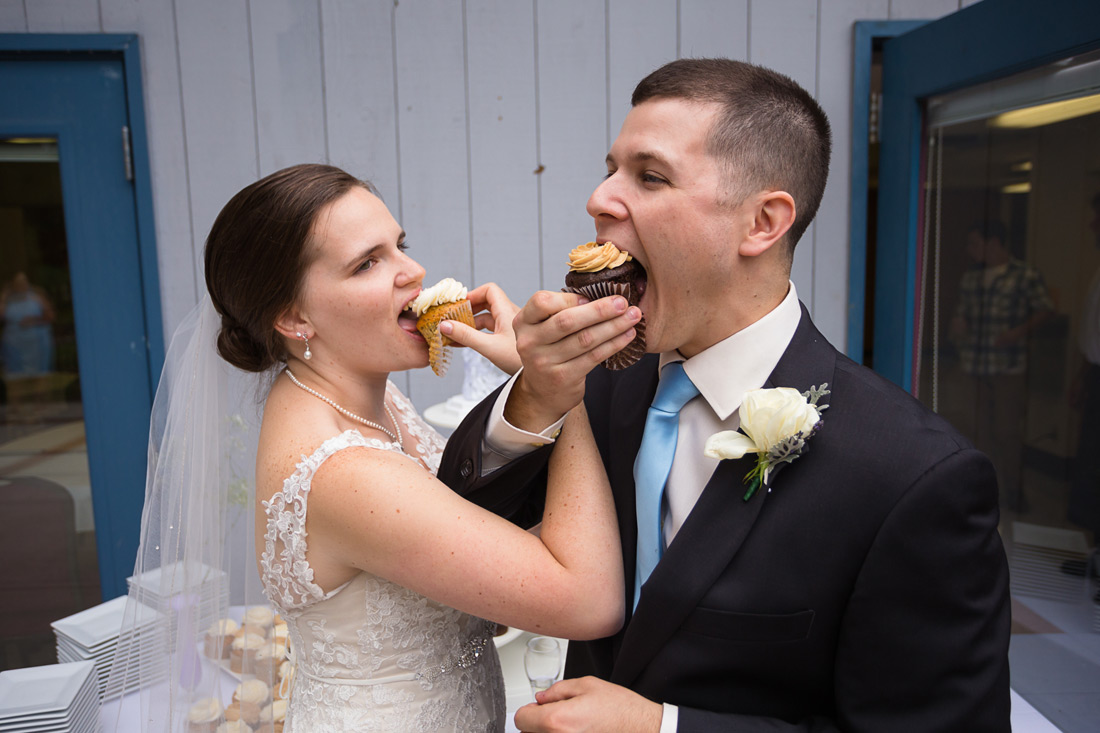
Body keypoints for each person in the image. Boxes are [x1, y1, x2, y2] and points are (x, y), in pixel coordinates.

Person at [439, 59, 1011, 732]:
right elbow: (462, 538)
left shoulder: (913, 478)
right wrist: (536, 397)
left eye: (650, 176)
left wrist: (665, 729)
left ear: (762, 222)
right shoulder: (596, 384)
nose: (598, 198)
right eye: (610, 168)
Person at [108, 164, 623, 732]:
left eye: (400, 246)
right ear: (293, 316)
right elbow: (589, 603)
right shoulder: (344, 471)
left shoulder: (365, 397)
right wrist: (556, 388)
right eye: (367, 263)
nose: (414, 271)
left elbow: (449, 537)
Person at [949, 219, 1054, 512]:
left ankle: (1014, 490)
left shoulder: (1024, 274)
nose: (970, 251)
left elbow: (1046, 309)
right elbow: (962, 313)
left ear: (993, 242)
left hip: (1008, 367)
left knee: (1007, 431)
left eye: (974, 243)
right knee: (977, 429)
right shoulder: (972, 277)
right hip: (974, 364)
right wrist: (958, 325)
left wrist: (1018, 332)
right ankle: (982, 489)